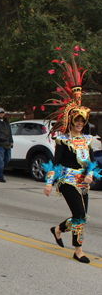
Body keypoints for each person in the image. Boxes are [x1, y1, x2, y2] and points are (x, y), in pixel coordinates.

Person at [43, 56, 101, 264]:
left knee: (81, 216)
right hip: (67, 180)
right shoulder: (62, 140)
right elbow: (56, 163)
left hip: (82, 182)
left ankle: (58, 229)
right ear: (70, 121)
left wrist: (91, 175)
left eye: (81, 121)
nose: (79, 124)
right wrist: (50, 183)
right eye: (76, 120)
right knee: (78, 214)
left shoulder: (87, 139)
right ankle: (79, 251)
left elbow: (92, 161)